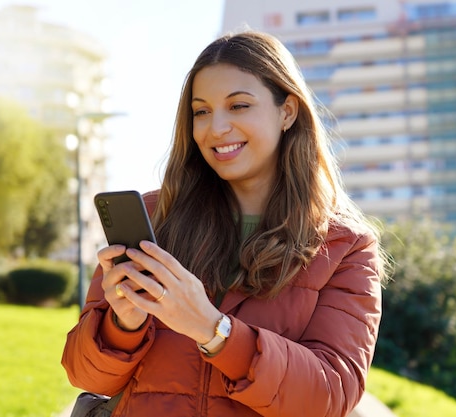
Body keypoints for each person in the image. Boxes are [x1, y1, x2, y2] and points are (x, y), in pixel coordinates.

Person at [62, 30, 388, 417]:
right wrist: (121, 324)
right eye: (201, 111)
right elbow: (86, 375)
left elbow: (329, 396)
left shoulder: (345, 246)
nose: (216, 128)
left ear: (287, 111)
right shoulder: (156, 217)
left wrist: (213, 330)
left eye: (238, 106)